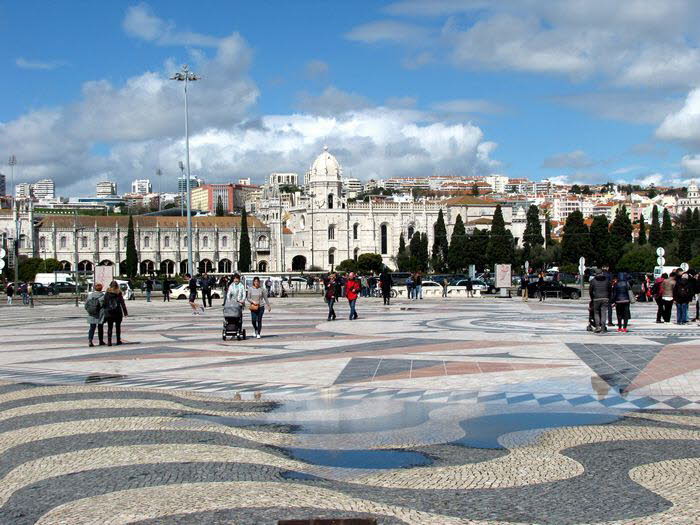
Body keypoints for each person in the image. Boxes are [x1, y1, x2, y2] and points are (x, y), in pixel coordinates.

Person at [103, 280, 128, 346]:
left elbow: (104, 302)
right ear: (117, 286)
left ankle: (109, 341)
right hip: (117, 312)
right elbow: (122, 302)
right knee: (118, 327)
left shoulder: (107, 292)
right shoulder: (119, 292)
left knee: (109, 327)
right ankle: (118, 340)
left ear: (110, 285)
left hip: (109, 312)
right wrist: (125, 312)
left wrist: (104, 310)